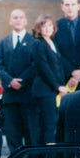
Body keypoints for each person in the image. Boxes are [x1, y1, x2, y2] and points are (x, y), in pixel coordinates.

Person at [0, 8, 38, 150]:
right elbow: (0, 66)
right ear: (10, 21)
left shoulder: (33, 42)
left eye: (21, 17)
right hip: (10, 96)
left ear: (25, 21)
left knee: (30, 133)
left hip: (28, 95)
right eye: (15, 17)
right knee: (13, 134)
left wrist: (22, 81)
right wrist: (10, 81)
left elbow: (34, 65)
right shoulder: (2, 42)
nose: (18, 20)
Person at [31, 14, 64, 144]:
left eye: (50, 25)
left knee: (52, 126)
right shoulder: (38, 44)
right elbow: (43, 68)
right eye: (44, 26)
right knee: (48, 127)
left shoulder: (53, 42)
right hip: (44, 91)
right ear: (39, 29)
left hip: (53, 91)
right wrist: (57, 86)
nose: (47, 29)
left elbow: (58, 67)